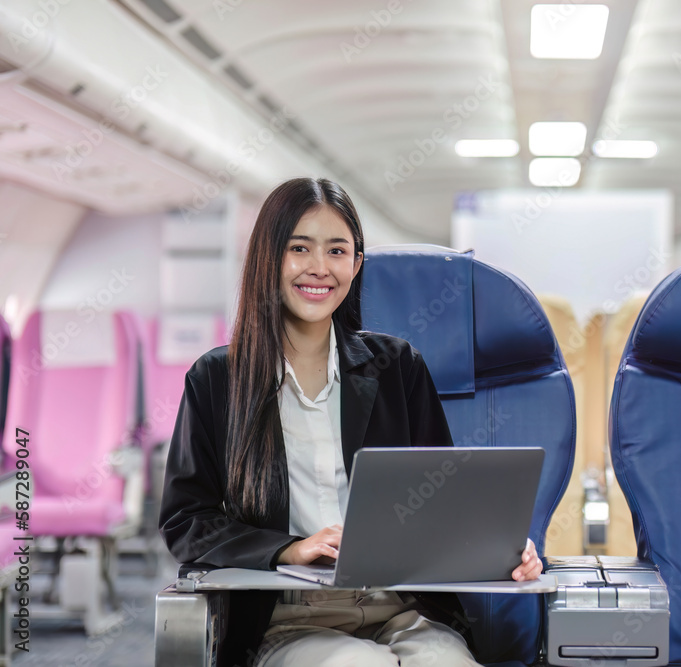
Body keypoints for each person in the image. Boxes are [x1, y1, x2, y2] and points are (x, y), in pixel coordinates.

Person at [159, 177, 543, 667]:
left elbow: (444, 499)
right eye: (299, 248)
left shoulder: (398, 366)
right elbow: (187, 521)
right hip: (287, 620)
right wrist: (289, 550)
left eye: (337, 251)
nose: (319, 268)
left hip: (403, 609)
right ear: (268, 257)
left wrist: (502, 546)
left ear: (356, 264)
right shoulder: (218, 379)